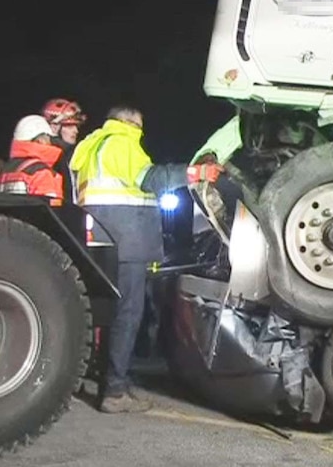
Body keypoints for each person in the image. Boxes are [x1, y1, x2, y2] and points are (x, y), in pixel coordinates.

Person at [70, 105, 223, 413]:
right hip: (126, 241)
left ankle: (104, 377)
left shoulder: (89, 148)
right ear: (130, 123)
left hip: (97, 241)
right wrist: (196, 173)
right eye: (140, 126)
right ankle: (114, 391)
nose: (141, 132)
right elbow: (150, 179)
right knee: (128, 314)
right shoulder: (122, 141)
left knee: (106, 313)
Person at [0, 115, 64, 199]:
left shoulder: (2, 172)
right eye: (48, 138)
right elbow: (47, 208)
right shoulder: (40, 172)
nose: (50, 142)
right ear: (41, 141)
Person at [41, 98, 87, 202]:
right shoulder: (47, 158)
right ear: (54, 127)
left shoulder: (68, 156)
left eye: (76, 126)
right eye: (69, 126)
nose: (76, 131)